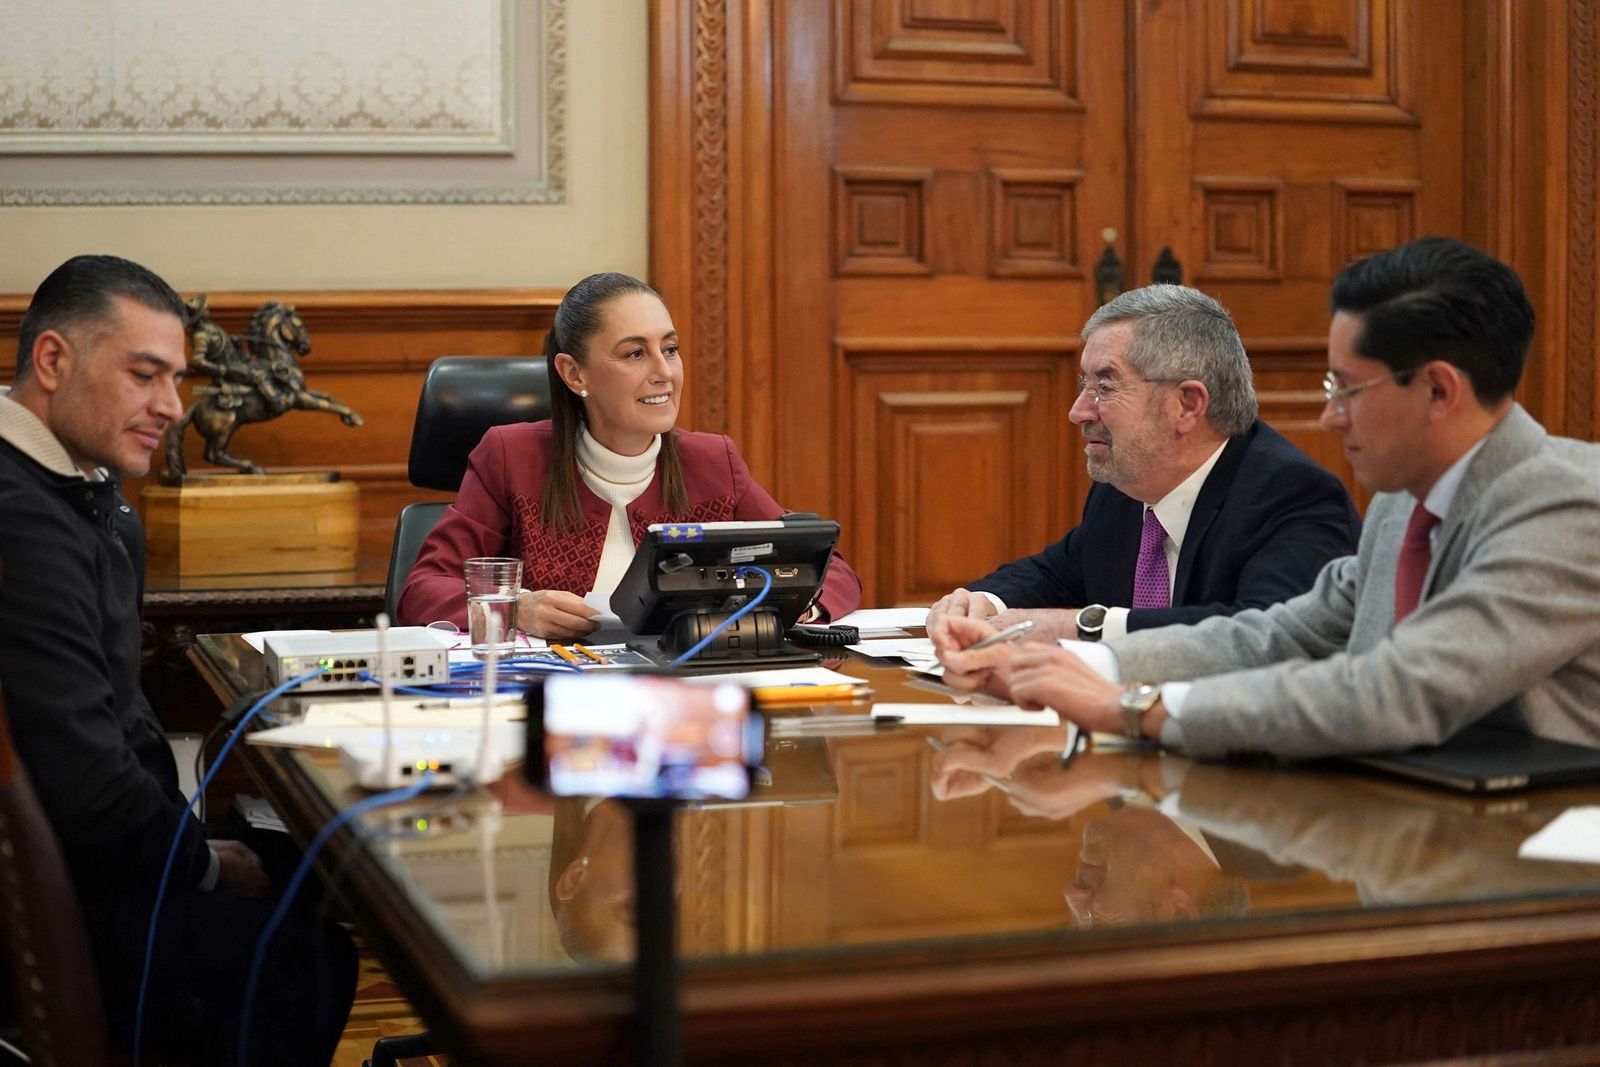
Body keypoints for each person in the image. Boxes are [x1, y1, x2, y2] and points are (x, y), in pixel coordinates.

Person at [936, 237, 1600, 761]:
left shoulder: (1568, 506)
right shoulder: (1405, 505)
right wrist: (1061, 666)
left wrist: (1133, 708)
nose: (1331, 417)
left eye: (1348, 389)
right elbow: (1279, 634)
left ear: (1437, 390)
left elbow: (1401, 689)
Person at [0, 255, 355, 1064]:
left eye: (177, 378)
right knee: (311, 951)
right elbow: (87, 785)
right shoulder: (21, 517)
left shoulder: (85, 492)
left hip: (106, 863)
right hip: (70, 909)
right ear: (54, 360)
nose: (171, 406)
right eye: (144, 375)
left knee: (312, 870)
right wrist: (203, 864)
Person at [399, 271, 862, 638]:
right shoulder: (511, 457)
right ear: (574, 373)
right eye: (635, 354)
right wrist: (515, 610)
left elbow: (829, 570)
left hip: (684, 700)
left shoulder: (713, 461)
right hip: (552, 701)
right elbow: (422, 591)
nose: (664, 373)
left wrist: (805, 605)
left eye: (671, 349)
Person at [928, 284, 1359, 644]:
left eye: (1105, 386)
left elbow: (1263, 639)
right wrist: (983, 601)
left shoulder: (1293, 498)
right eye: (1085, 384)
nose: (1078, 411)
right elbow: (1059, 572)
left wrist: (1087, 628)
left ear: (1187, 405)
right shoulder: (1127, 487)